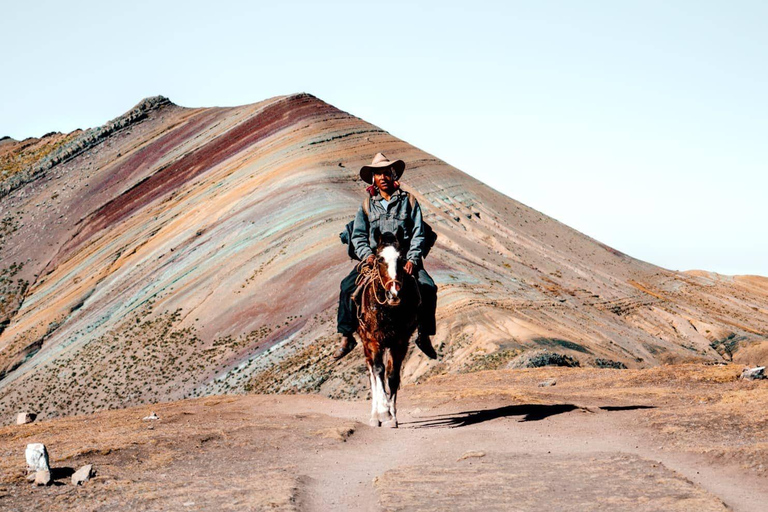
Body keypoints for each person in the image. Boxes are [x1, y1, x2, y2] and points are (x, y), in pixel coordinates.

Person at [334, 153, 438, 360]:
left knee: (428, 287)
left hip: (404, 259)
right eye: (378, 174)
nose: (382, 177)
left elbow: (418, 233)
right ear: (373, 178)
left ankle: (424, 335)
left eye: (386, 173)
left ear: (393, 175)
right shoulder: (366, 205)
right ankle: (347, 336)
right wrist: (367, 256)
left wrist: (413, 259)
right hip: (377, 260)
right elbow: (359, 235)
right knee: (346, 287)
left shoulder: (409, 201)